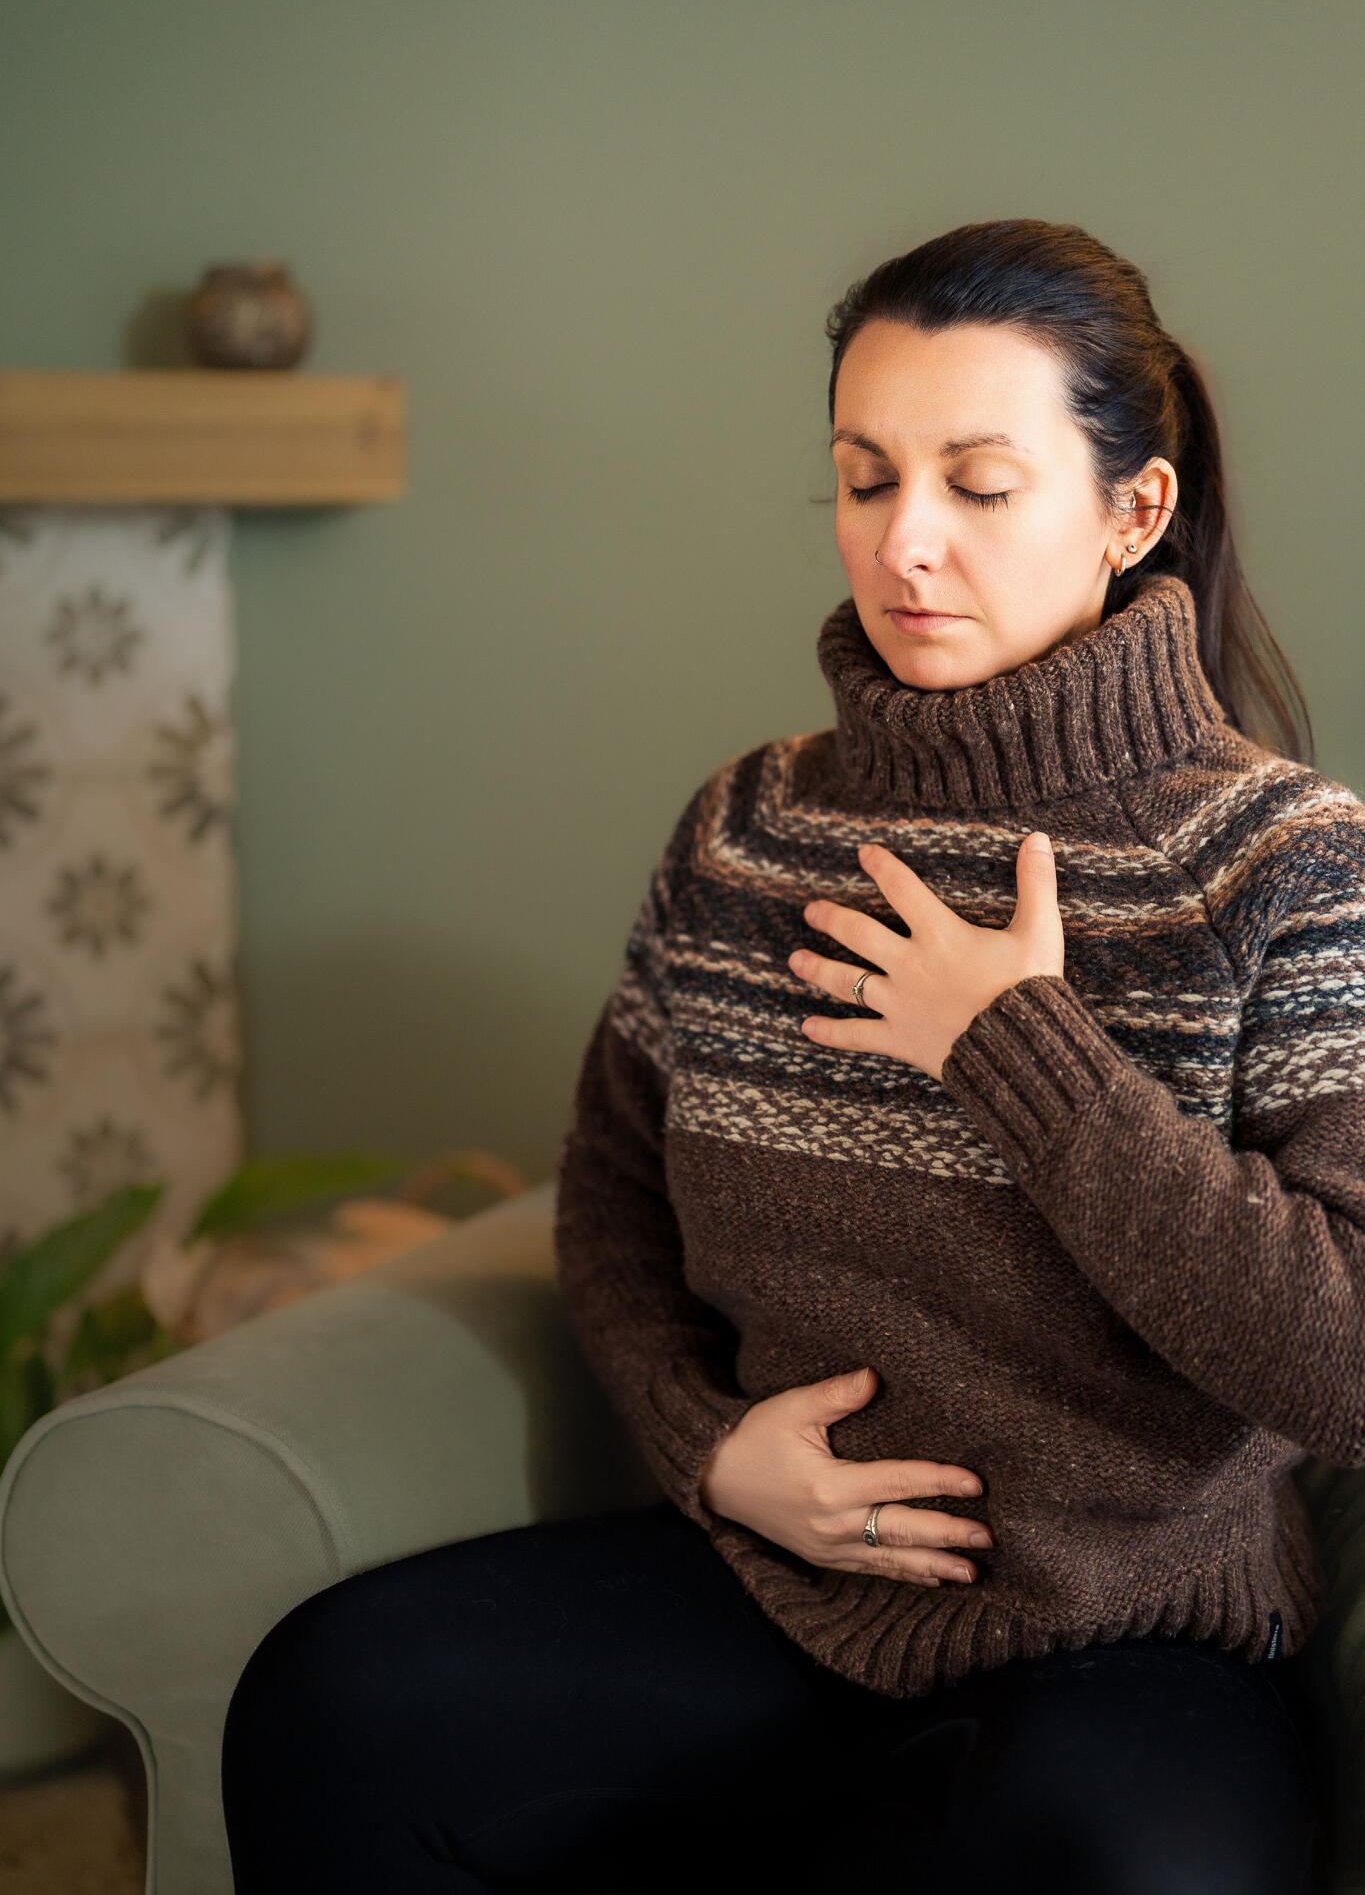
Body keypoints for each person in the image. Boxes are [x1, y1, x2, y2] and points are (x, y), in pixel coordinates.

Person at [221, 218, 1354, 1894]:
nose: (904, 543)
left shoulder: (1283, 862)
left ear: (1132, 512)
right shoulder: (751, 827)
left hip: (1127, 1642)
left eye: (978, 484)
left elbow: (1343, 1359)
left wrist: (1018, 1051)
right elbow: (610, 1185)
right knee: (330, 1703)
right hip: (771, 1594)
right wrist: (706, 1447)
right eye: (863, 474)